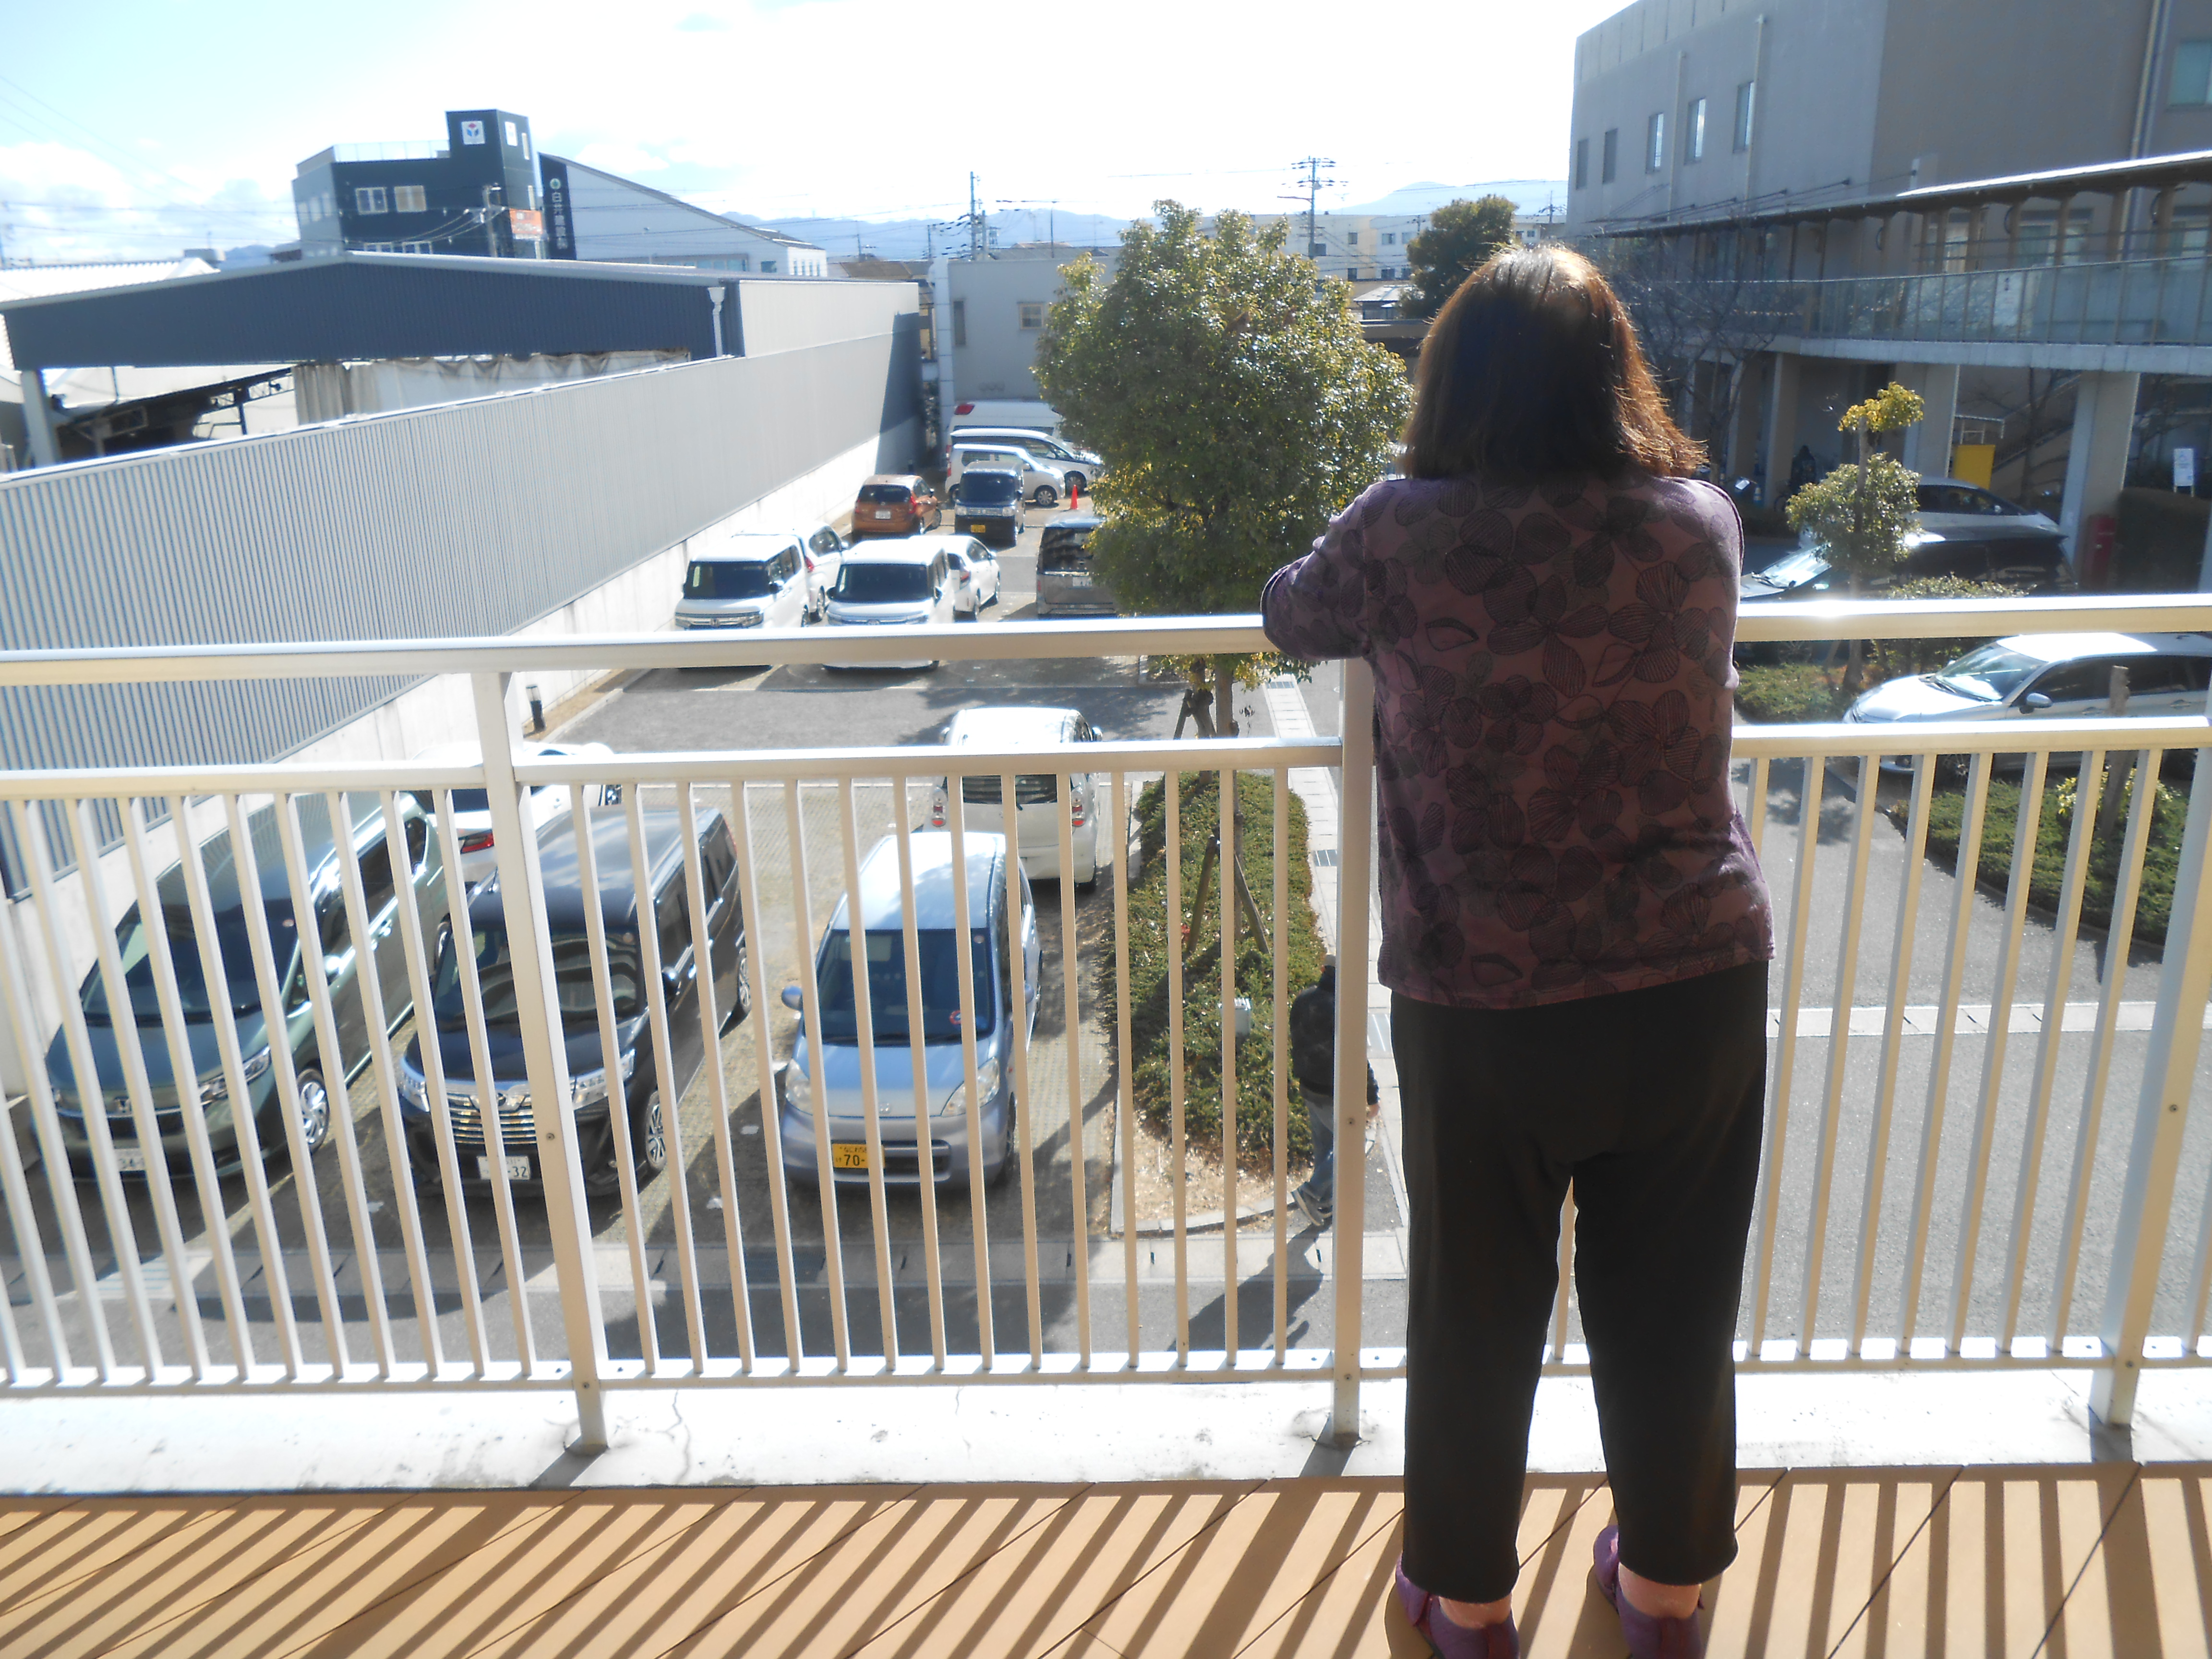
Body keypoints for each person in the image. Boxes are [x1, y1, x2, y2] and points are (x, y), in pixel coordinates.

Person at [1261, 244, 1774, 1659]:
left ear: (1450, 381)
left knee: (1476, 1309)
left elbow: (1291, 610)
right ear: (1616, 375)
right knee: (1674, 1305)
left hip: (1485, 990)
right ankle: (1662, 1593)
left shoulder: (1404, 527)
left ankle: (1471, 1602)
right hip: (1694, 975)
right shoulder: (1698, 521)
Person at [1288, 955, 1380, 1229]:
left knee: (1325, 1147)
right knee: (1353, 1144)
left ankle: (1326, 1204)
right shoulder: (1343, 1008)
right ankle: (1312, 1192)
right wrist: (1372, 1096)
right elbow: (1358, 1058)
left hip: (1307, 1085)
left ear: (1322, 970)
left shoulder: (1303, 999)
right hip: (1333, 1091)